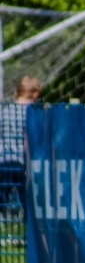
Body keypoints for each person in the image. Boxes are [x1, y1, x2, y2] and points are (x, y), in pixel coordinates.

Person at [0, 76, 41, 239]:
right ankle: (28, 235)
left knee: (2, 197)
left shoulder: (6, 111)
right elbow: (28, 142)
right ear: (36, 94)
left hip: (4, 162)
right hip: (22, 163)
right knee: (27, 200)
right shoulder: (31, 114)